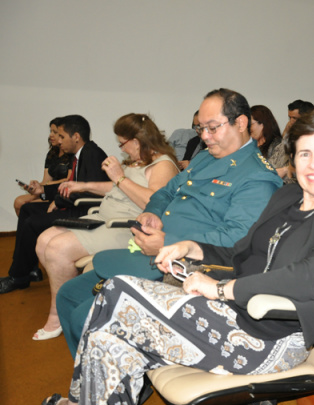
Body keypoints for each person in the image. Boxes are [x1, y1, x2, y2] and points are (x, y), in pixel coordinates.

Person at [40, 109, 314, 405]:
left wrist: (220, 289)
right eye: (304, 154)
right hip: (233, 314)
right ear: (294, 160)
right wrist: (192, 247)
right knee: (112, 341)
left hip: (273, 335)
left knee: (117, 291)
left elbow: (311, 278)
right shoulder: (286, 198)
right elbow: (240, 253)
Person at [55, 88, 282, 357]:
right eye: (201, 129)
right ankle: (90, 375)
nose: (205, 137)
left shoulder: (257, 177)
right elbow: (165, 193)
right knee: (68, 295)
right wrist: (152, 212)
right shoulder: (204, 158)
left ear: (241, 123)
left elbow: (236, 240)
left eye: (212, 128)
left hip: (183, 266)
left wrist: (170, 242)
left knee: (86, 315)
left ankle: (105, 383)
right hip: (151, 250)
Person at [33, 113, 180, 341]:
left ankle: (57, 315)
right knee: (43, 240)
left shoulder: (163, 164)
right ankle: (71, 301)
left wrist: (120, 178)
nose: (122, 149)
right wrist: (82, 185)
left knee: (56, 248)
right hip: (102, 220)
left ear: (137, 140)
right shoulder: (137, 161)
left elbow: (155, 204)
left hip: (126, 230)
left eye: (122, 143)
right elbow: (114, 186)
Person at [0, 115, 109, 295]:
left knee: (31, 223)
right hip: (74, 206)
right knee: (27, 209)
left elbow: (93, 191)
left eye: (61, 137)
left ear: (76, 136)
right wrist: (43, 192)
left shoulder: (92, 153)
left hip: (83, 211)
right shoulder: (80, 154)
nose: (58, 142)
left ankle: (18, 278)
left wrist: (58, 201)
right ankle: (30, 269)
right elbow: (71, 187)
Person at [14, 117, 74, 216]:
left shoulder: (71, 154)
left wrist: (47, 184)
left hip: (59, 192)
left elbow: (69, 179)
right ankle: (29, 229)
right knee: (18, 201)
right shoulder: (52, 154)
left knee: (25, 206)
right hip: (47, 189)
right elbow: (45, 180)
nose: (51, 135)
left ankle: (35, 228)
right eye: (50, 131)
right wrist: (35, 187)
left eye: (55, 132)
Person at [250, 105, 288, 171]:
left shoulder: (278, 145)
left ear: (262, 124)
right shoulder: (249, 144)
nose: (248, 128)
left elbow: (271, 171)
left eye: (250, 124)